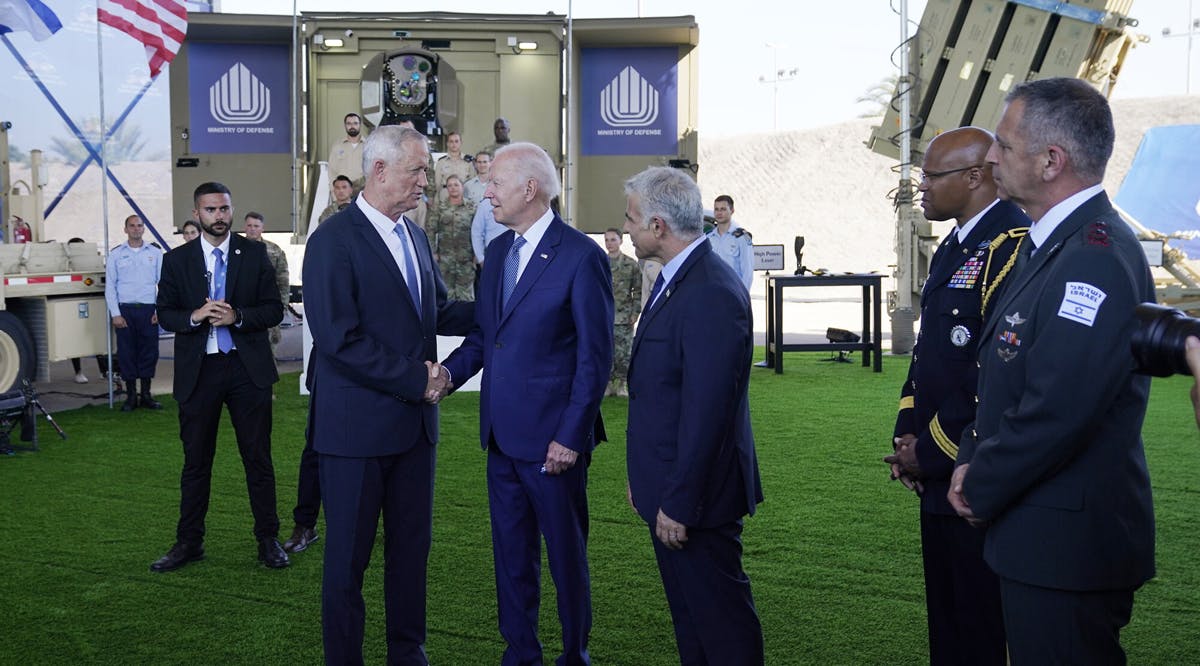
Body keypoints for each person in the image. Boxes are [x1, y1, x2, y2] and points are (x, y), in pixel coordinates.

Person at [947, 77, 1156, 664]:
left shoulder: (1094, 256)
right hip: (1042, 536)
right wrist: (970, 453)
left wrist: (978, 483)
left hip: (1067, 547)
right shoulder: (1052, 245)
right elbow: (1006, 375)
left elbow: (1058, 408)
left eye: (1005, 147)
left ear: (1050, 161)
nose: (991, 157)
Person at [303, 125, 473, 664]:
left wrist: (508, 305)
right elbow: (338, 338)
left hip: (414, 434)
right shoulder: (333, 239)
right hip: (355, 434)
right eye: (418, 170)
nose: (428, 179)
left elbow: (439, 312)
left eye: (427, 170)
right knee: (347, 563)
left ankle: (408, 652)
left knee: (410, 556)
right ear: (379, 171)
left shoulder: (414, 236)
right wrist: (415, 378)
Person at [439, 142, 613, 666]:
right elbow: (485, 336)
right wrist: (448, 375)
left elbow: (594, 359)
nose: (485, 191)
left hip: (554, 445)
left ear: (530, 189)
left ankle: (574, 655)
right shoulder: (497, 253)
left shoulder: (582, 256)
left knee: (565, 559)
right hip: (500, 439)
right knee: (512, 559)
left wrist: (570, 436)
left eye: (494, 183)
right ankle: (520, 655)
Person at [883, 126, 1028, 665]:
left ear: (974, 177)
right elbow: (929, 354)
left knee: (978, 623)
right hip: (934, 462)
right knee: (948, 622)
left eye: (931, 177)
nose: (920, 188)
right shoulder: (956, 242)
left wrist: (932, 449)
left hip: (969, 461)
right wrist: (905, 431)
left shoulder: (1011, 244)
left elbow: (991, 369)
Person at [622, 166, 764, 664]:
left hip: (696, 500)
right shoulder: (681, 276)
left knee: (721, 627)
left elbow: (708, 413)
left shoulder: (709, 291)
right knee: (693, 624)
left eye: (632, 219)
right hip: (671, 488)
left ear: (659, 226)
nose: (627, 228)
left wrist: (679, 501)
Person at [151, 182, 288, 573]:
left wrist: (237, 317)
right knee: (196, 462)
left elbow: (274, 310)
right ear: (197, 214)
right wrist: (195, 316)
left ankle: (268, 539)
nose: (219, 216)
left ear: (232, 210)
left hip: (248, 369)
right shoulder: (176, 261)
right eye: (210, 210)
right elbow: (167, 312)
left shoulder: (256, 253)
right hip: (200, 370)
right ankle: (189, 542)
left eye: (224, 209)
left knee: (257, 459)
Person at [105, 214, 163, 411]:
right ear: (125, 229)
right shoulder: (116, 254)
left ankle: (146, 395)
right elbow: (110, 287)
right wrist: (115, 313)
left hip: (148, 310)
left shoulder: (155, 254)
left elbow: (163, 284)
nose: (136, 229)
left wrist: (160, 310)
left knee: (149, 352)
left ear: (144, 229)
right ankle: (131, 396)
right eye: (132, 226)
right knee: (127, 354)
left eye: (140, 226)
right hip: (125, 310)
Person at [243, 212, 290, 357]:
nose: (252, 229)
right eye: (249, 225)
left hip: (267, 306)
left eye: (256, 226)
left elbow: (282, 279)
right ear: (245, 227)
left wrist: (283, 305)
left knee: (269, 349)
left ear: (262, 228)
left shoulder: (274, 251)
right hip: (244, 307)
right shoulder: (234, 249)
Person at [603, 227, 640, 397]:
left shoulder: (631, 264)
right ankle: (608, 384)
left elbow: (638, 290)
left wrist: (635, 311)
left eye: (613, 239)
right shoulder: (599, 262)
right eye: (607, 240)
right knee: (606, 351)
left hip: (624, 316)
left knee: (624, 353)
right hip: (604, 315)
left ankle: (622, 384)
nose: (610, 243)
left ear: (621, 241)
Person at [427, 174, 477, 300]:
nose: (453, 188)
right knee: (446, 293)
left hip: (466, 258)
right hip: (445, 259)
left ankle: (466, 320)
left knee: (466, 295)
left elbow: (478, 232)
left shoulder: (472, 207)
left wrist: (477, 254)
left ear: (462, 187)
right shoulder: (439, 208)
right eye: (449, 185)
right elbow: (431, 230)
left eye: (456, 185)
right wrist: (433, 252)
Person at [705, 195, 754, 292]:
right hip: (713, 292)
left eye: (723, 209)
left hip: (734, 292)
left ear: (732, 211)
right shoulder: (708, 238)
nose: (719, 213)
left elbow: (747, 271)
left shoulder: (741, 238)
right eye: (716, 209)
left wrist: (743, 296)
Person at [328, 112, 367, 189]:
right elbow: (331, 173)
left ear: (360, 125)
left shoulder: (368, 146)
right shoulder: (337, 147)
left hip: (363, 192)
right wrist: (334, 195)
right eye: (349, 123)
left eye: (355, 123)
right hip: (342, 192)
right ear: (345, 126)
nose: (352, 126)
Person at [433, 131, 473, 203]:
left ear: (461, 143)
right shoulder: (441, 162)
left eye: (456, 141)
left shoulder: (468, 161)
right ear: (447, 144)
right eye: (451, 141)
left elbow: (472, 181)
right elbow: (437, 184)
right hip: (445, 196)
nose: (454, 144)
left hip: (463, 197)